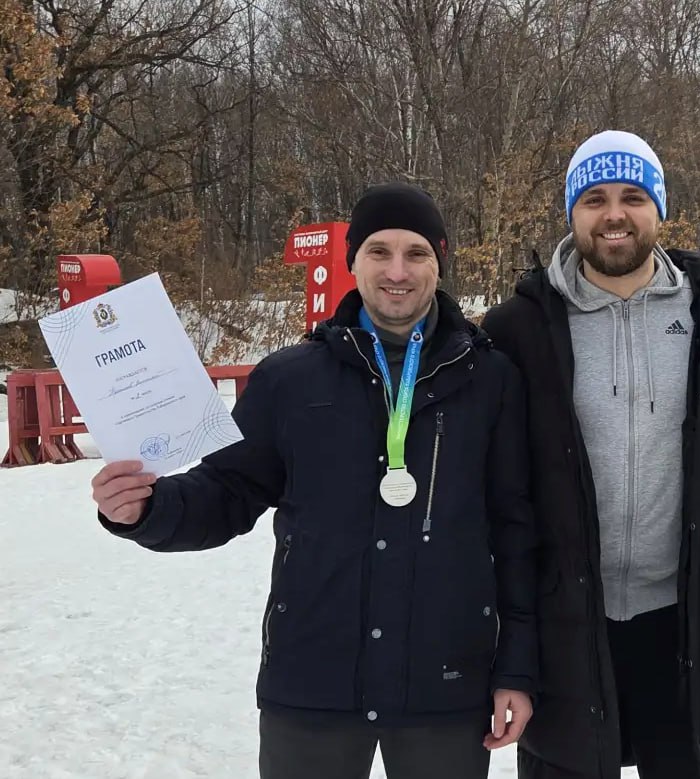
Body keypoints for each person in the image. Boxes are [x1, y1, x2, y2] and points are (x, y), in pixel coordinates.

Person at [90, 183, 537, 779]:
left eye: (416, 253)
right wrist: (146, 510)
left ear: (440, 259)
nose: (397, 271)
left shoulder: (491, 381)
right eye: (379, 252)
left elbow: (518, 532)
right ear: (352, 260)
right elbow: (227, 492)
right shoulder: (289, 380)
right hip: (312, 680)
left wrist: (518, 670)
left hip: (446, 681)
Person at [482, 130, 700, 779]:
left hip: (684, 625)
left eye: (633, 196)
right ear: (571, 212)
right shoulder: (516, 329)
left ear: (659, 208)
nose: (614, 214)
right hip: (569, 625)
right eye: (594, 198)